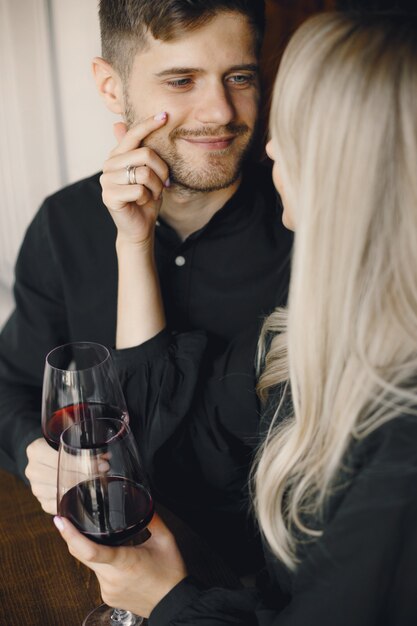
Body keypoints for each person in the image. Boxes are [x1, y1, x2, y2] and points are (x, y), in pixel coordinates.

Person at [54, 9, 417, 625]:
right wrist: (134, 245)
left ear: (358, 169)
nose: (265, 141)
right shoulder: (303, 332)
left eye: (294, 127)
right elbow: (161, 448)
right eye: (181, 80)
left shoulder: (401, 439)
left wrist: (169, 601)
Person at [0, 0, 292, 572]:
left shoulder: (305, 227)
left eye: (240, 77)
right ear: (112, 88)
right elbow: (10, 384)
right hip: (93, 554)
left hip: (265, 576)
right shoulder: (64, 223)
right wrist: (36, 453)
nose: (221, 111)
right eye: (181, 80)